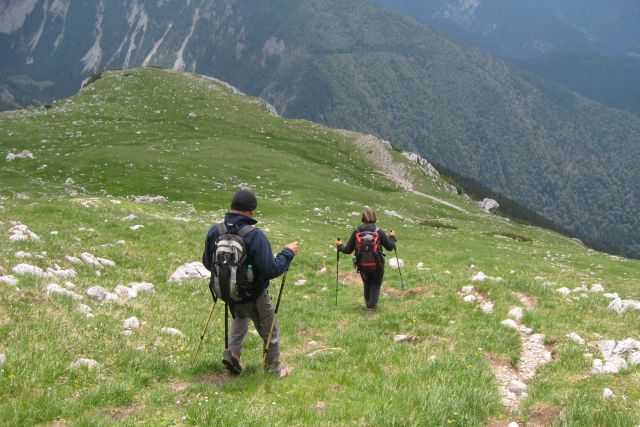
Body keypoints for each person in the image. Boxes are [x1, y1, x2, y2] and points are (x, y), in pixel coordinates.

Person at [203, 189, 298, 377]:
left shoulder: (216, 230)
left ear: (232, 207)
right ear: (251, 212)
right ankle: (273, 369)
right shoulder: (254, 235)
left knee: (241, 316)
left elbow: (207, 262)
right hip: (254, 294)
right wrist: (287, 253)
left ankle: (233, 353)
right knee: (270, 329)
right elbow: (271, 269)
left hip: (229, 292)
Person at [335, 208, 396, 310]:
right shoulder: (378, 231)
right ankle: (371, 307)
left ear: (362, 218)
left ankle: (368, 302)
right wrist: (392, 237)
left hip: (362, 264)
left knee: (367, 282)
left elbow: (348, 250)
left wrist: (340, 246)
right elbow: (390, 247)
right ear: (374, 218)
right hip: (377, 265)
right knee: (376, 284)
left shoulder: (357, 231)